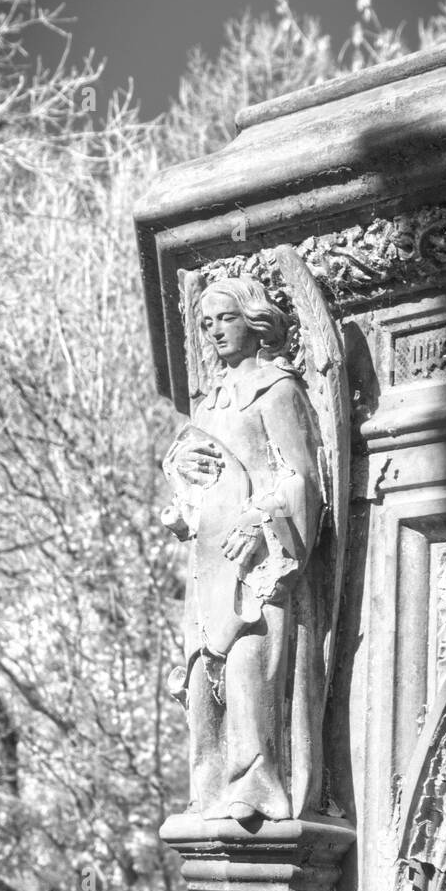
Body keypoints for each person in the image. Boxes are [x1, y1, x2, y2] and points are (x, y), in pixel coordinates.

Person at [162, 275, 326, 823]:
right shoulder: (208, 406)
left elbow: (302, 478)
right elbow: (196, 487)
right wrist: (180, 472)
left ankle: (256, 785)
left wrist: (262, 522)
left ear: (256, 322)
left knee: (249, 666)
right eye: (205, 323)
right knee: (205, 680)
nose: (213, 332)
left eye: (224, 318)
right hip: (208, 570)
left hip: (259, 568)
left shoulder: (278, 391)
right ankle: (210, 788)